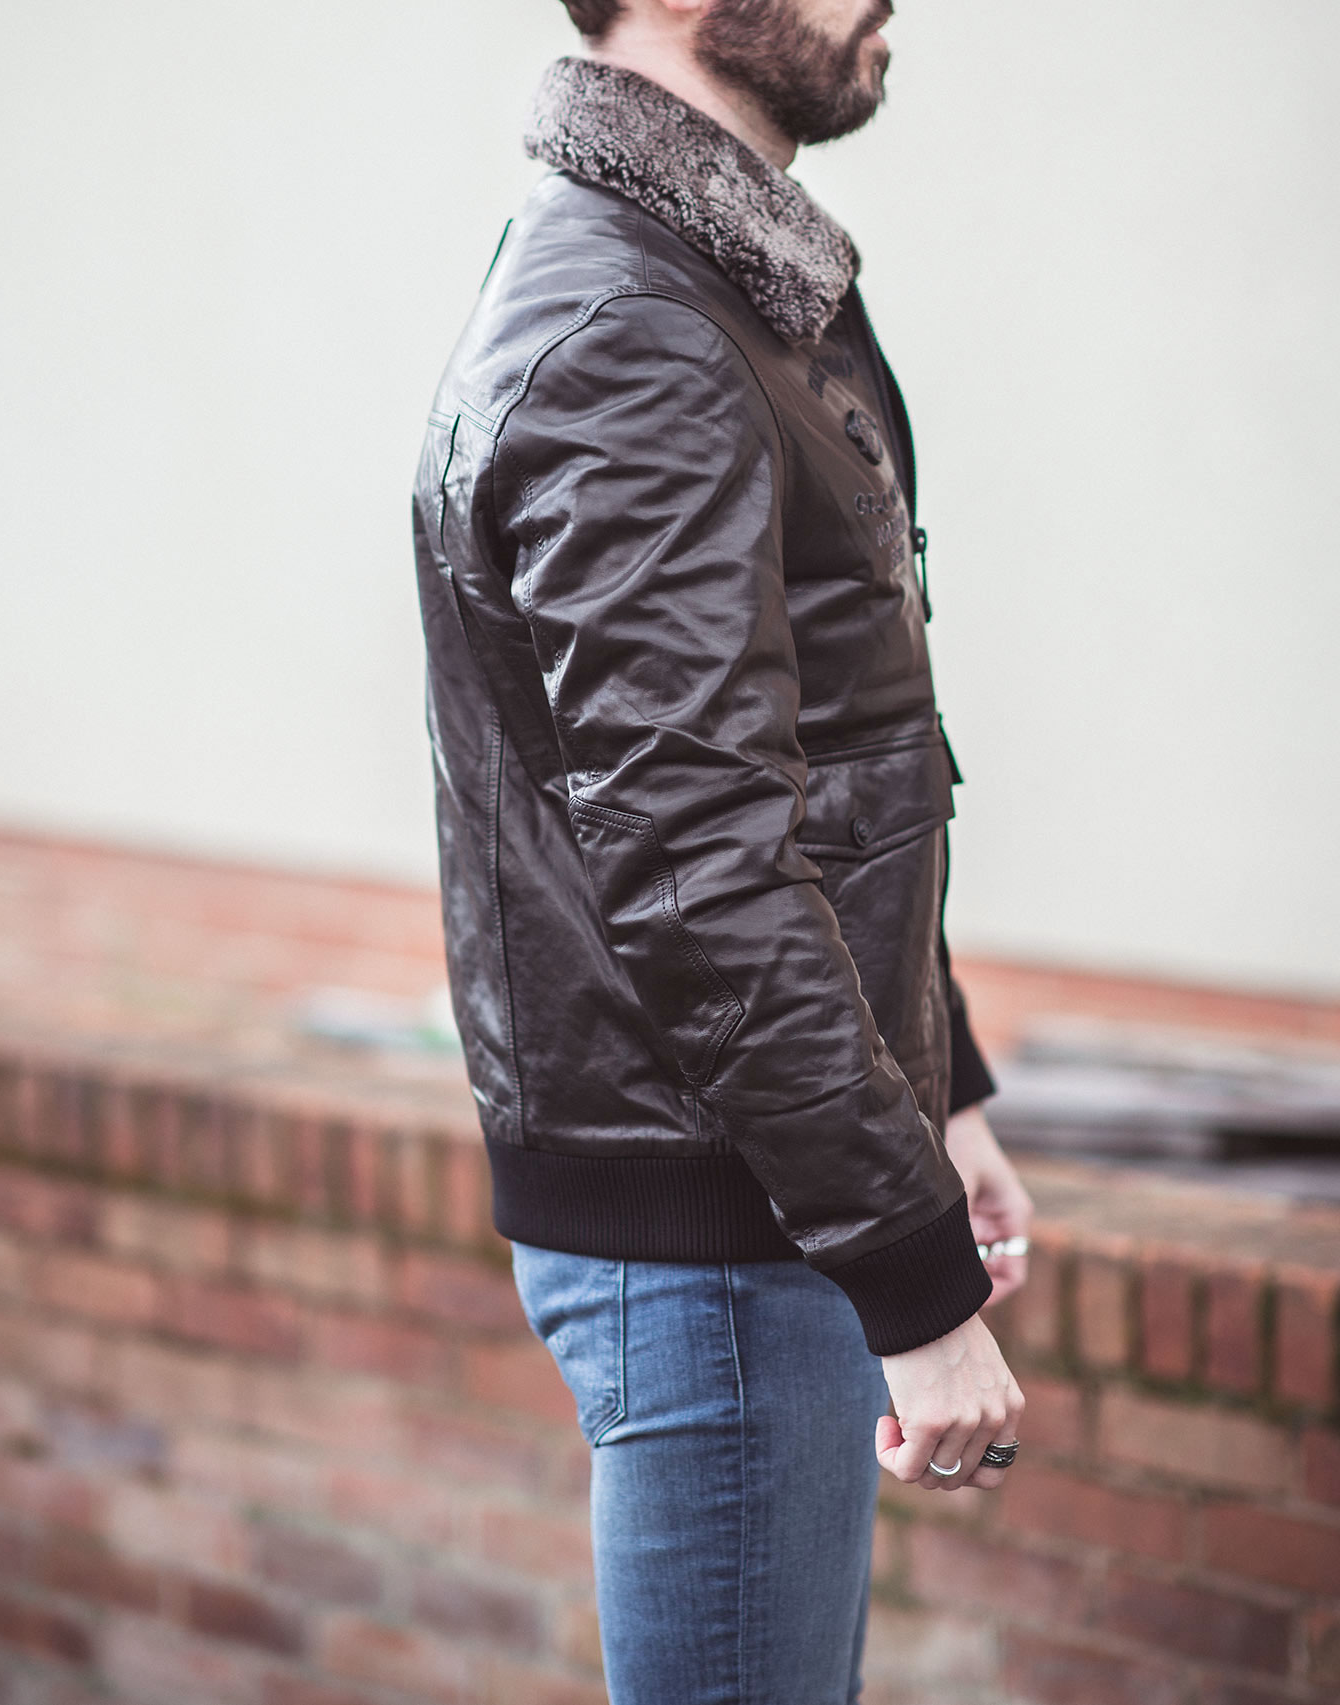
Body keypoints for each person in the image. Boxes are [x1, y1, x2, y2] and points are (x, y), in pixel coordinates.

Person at [412, 2, 1034, 1699]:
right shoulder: (635, 327)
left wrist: (942, 1085)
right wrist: (914, 1284)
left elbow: (826, 757)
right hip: (724, 1227)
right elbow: (702, 869)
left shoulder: (700, 281)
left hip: (754, 1193)